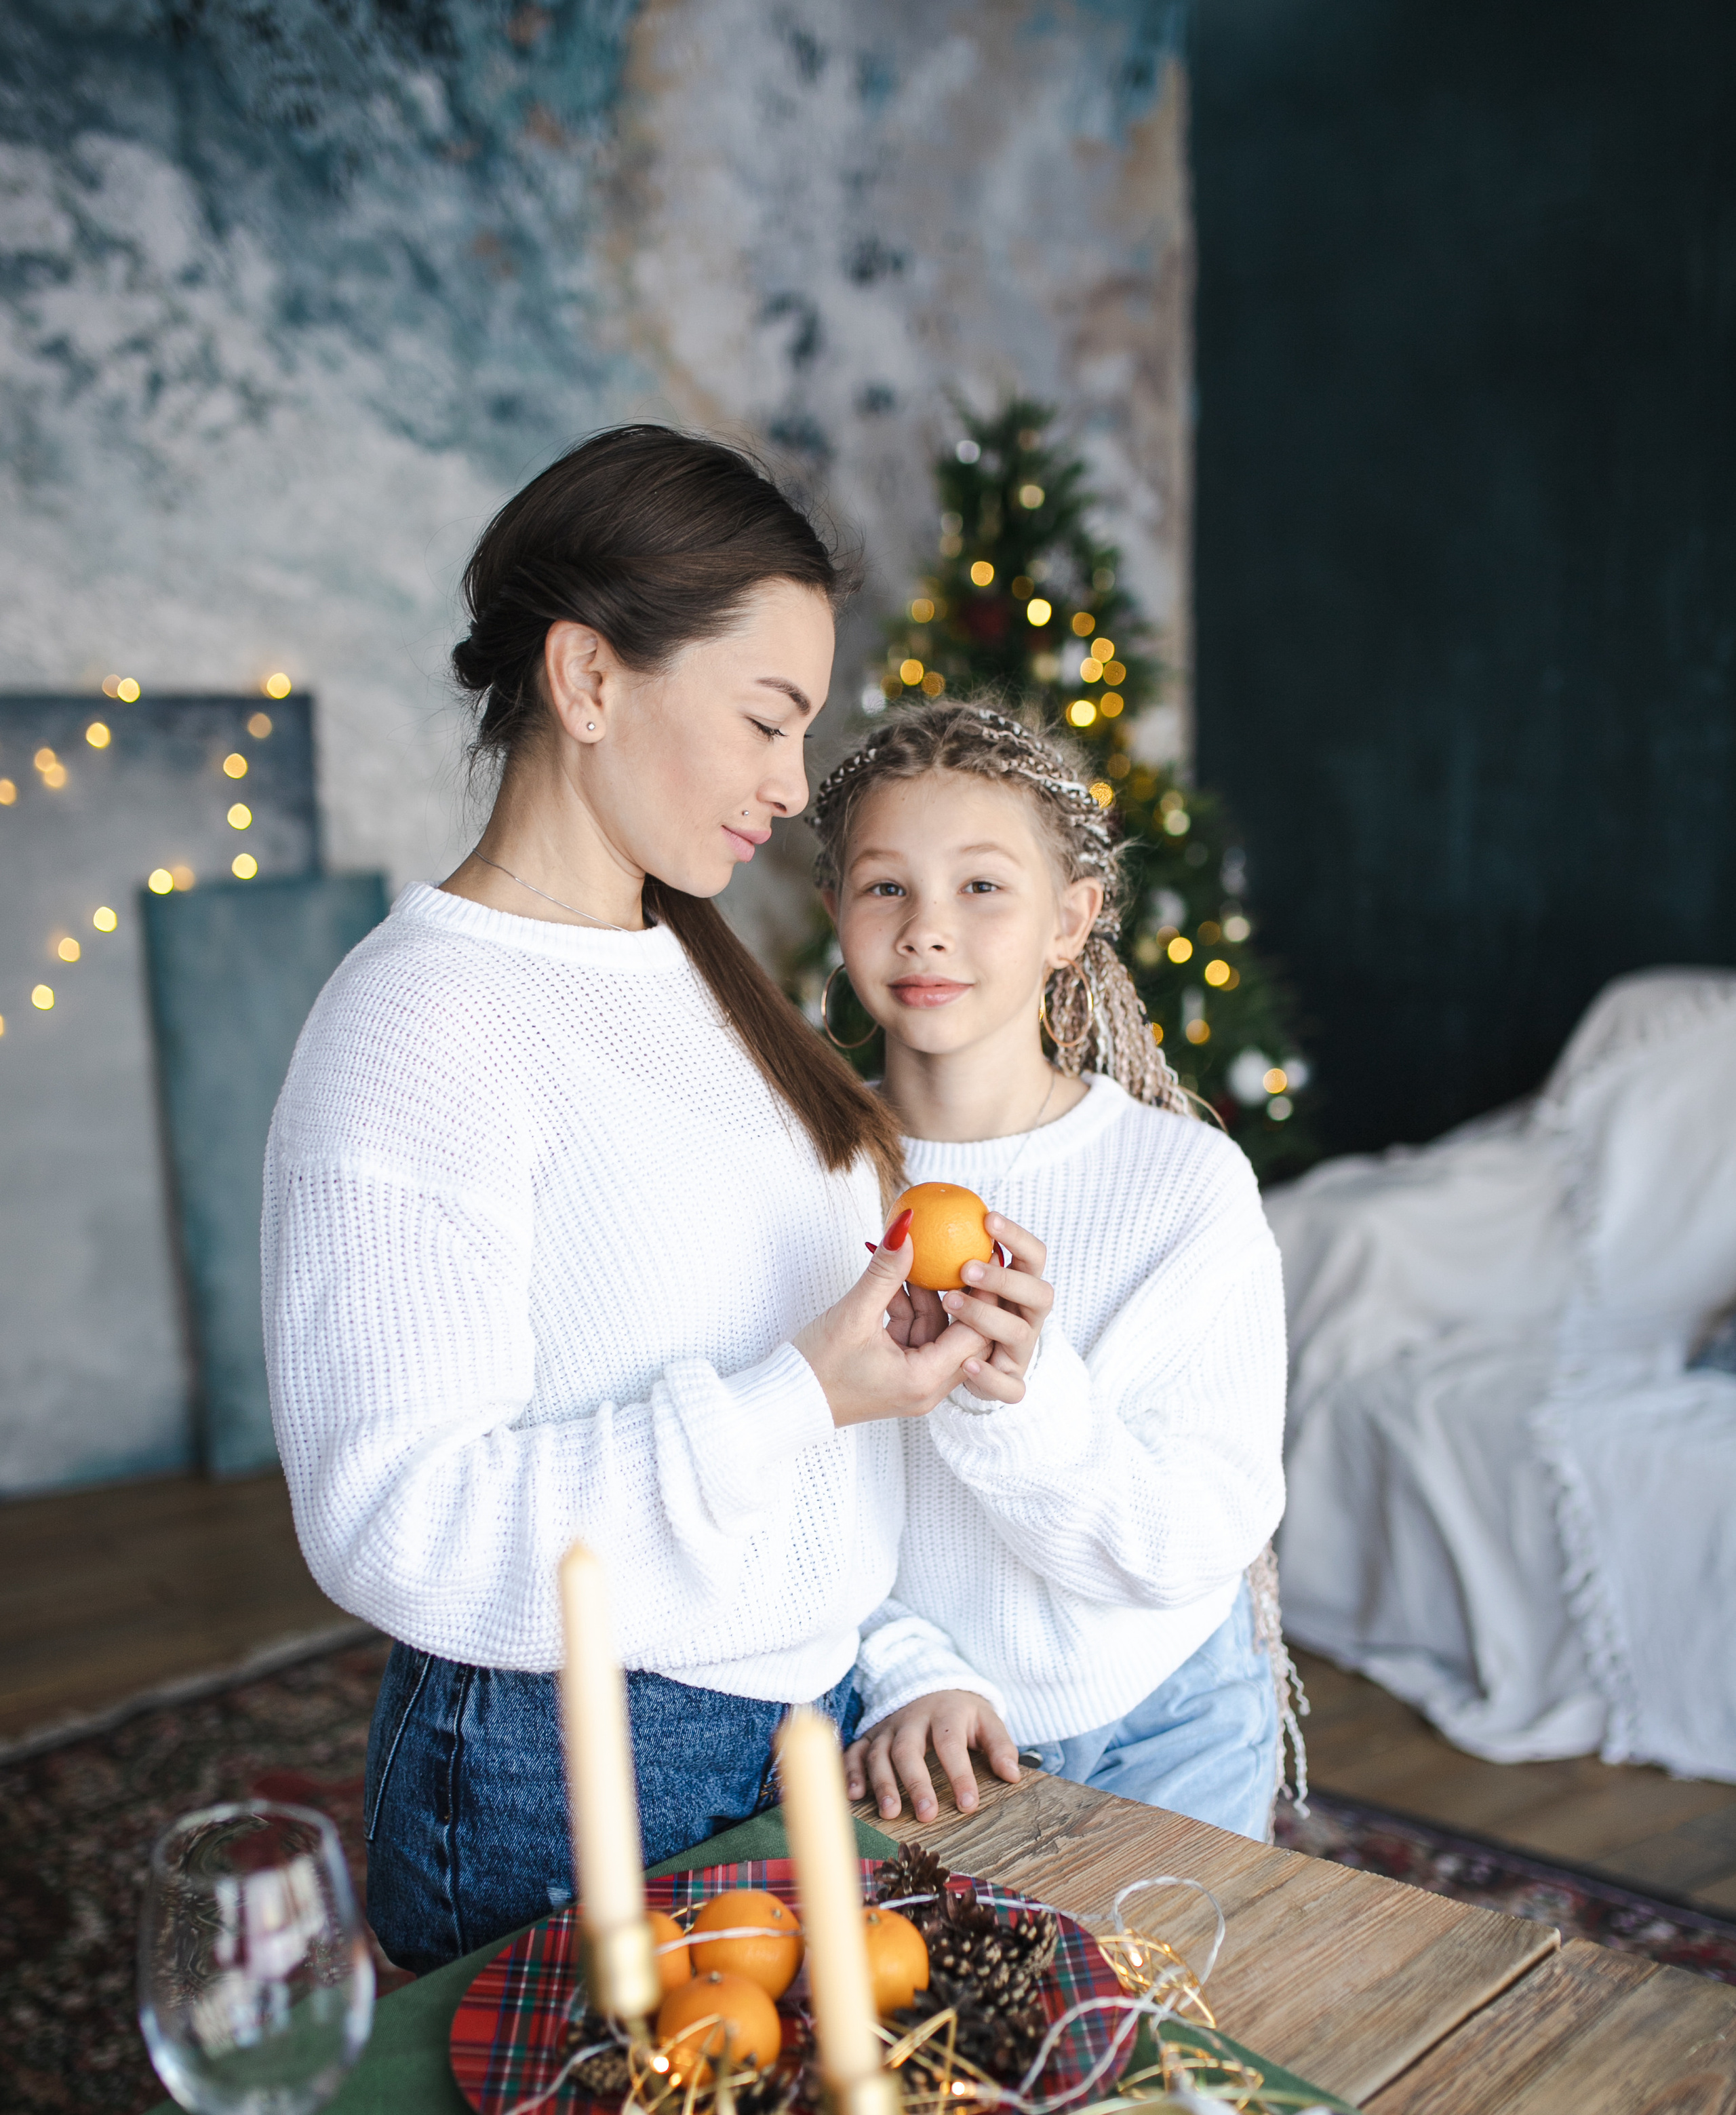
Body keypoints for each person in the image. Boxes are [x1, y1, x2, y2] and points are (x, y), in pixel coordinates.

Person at [262, 427, 983, 1973]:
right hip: (561, 1765)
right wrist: (799, 1395)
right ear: (587, 682)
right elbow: (391, 1519)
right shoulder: (418, 1026)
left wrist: (883, 1644)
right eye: (764, 722)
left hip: (803, 1722)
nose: (794, 792)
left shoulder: (698, 979)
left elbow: (772, 1385)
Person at [812, 702, 1299, 1844]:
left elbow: (1194, 1539)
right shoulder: (808, 1183)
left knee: (1168, 2024)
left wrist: (1017, 1399)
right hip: (926, 1734)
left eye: (983, 887)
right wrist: (904, 1669)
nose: (929, 929)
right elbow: (793, 1504)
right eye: (886, 886)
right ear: (834, 912)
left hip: (1171, 1718)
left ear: (1071, 920)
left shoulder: (1185, 1186)